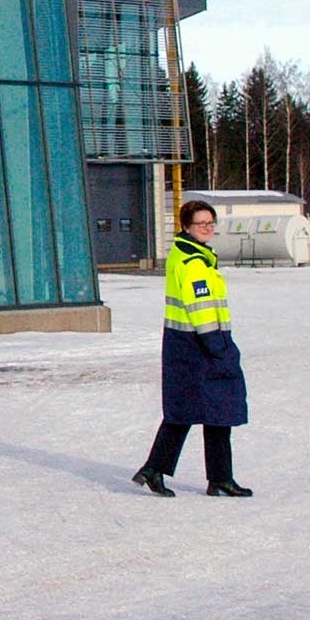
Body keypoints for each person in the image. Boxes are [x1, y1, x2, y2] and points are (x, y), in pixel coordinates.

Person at [132, 199, 252, 498]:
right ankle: (173, 471)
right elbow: (200, 307)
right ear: (186, 226)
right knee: (207, 409)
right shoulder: (193, 262)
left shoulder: (190, 254)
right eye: (201, 224)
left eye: (211, 223)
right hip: (199, 345)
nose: (207, 228)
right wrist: (218, 346)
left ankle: (212, 476)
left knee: (200, 410)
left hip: (187, 344)